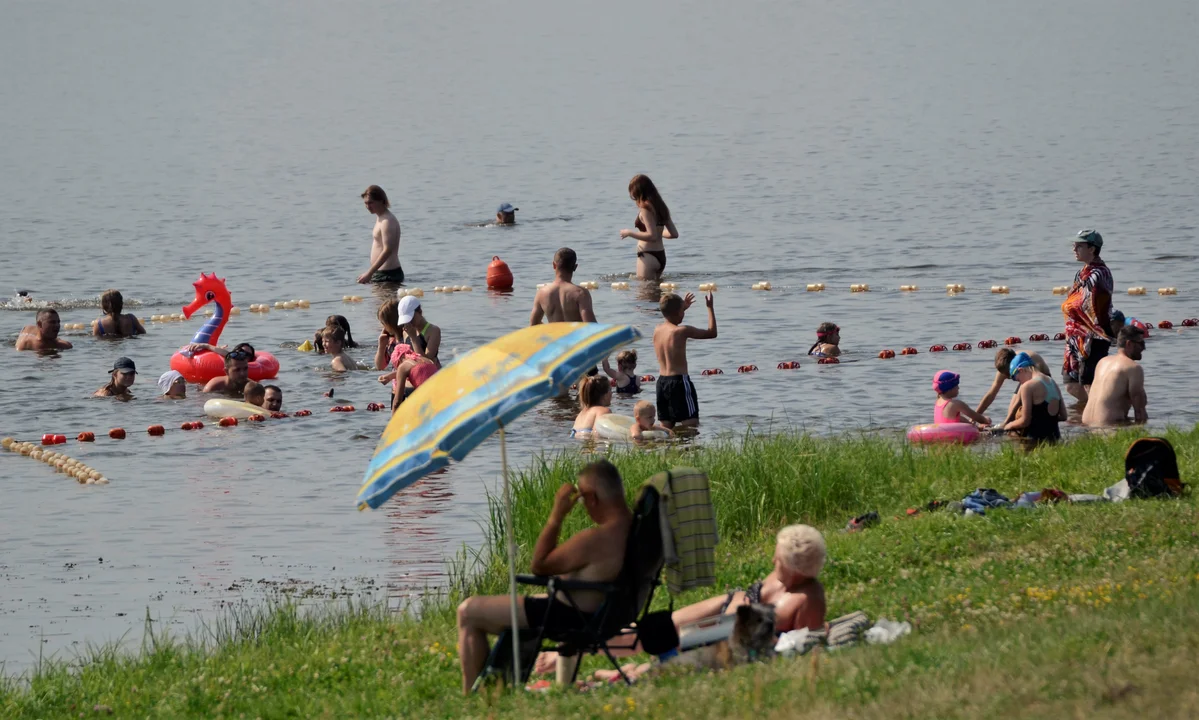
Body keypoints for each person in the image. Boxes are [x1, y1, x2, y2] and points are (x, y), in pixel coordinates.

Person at [534, 524, 827, 674]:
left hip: (731, 634)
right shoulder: (782, 576)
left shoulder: (807, 599)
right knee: (654, 626)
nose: (773, 558)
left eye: (779, 559)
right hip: (726, 607)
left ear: (797, 569)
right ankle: (578, 642)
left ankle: (576, 651)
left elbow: (800, 643)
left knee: (665, 641)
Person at [457, 459, 633, 694]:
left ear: (591, 498)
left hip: (568, 618)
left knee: (468, 612)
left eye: (581, 499)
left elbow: (539, 565)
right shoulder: (637, 529)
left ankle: (472, 695)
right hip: (606, 614)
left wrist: (556, 516)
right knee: (521, 602)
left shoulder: (595, 539)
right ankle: (552, 685)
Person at [1061, 229, 1114, 403]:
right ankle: (1089, 411)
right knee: (1071, 384)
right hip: (1076, 338)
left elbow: (1099, 306)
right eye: (1074, 245)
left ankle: (1098, 417)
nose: (1074, 249)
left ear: (1092, 249)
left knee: (1088, 382)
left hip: (1093, 337)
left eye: (1079, 246)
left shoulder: (1099, 274)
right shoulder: (1082, 272)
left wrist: (1106, 332)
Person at [653, 292, 716, 429]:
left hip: (662, 383)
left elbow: (670, 315)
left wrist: (681, 308)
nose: (684, 313)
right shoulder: (681, 331)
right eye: (683, 311)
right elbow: (712, 333)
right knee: (691, 426)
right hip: (679, 382)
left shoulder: (657, 330)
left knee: (666, 427)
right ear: (678, 312)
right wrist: (710, 307)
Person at [1082, 326, 1148, 427]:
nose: (1144, 347)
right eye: (1141, 343)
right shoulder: (1133, 368)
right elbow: (1139, 412)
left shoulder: (1102, 362)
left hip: (1087, 424)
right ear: (1129, 344)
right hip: (1109, 425)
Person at [619, 174, 678, 280]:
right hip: (661, 256)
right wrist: (658, 232)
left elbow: (652, 236)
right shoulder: (661, 206)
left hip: (648, 256)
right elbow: (673, 234)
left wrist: (629, 233)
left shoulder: (645, 209)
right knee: (654, 294)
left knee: (643, 294)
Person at [1002, 352, 1067, 443]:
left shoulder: (1027, 387)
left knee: (1009, 434)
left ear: (1021, 370)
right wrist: (1046, 420)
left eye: (1017, 379)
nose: (1020, 383)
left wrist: (1009, 425)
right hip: (1055, 438)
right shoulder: (1052, 382)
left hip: (1035, 441)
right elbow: (1064, 416)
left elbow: (1025, 421)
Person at [975, 348, 1052, 424]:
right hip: (1025, 378)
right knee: (1012, 410)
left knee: (1024, 411)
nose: (1008, 377)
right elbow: (991, 394)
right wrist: (974, 418)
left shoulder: (1027, 365)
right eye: (1005, 374)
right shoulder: (1003, 367)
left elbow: (1020, 397)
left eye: (1009, 373)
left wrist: (1006, 423)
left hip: (1042, 378)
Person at [529, 248, 597, 325]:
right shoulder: (580, 293)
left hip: (556, 336)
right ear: (575, 267)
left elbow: (533, 324)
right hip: (576, 336)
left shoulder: (542, 293)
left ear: (554, 265)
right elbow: (591, 325)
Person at [357, 185, 403, 285]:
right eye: (365, 203)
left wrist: (369, 273)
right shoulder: (380, 218)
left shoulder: (387, 221)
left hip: (388, 275)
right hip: (380, 274)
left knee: (383, 301)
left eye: (371, 203)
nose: (368, 207)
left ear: (381, 201)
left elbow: (387, 250)